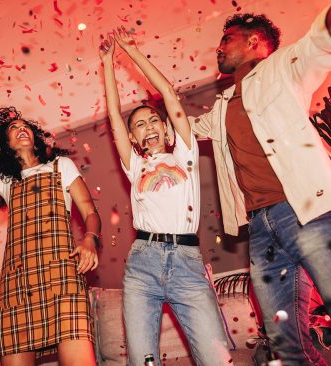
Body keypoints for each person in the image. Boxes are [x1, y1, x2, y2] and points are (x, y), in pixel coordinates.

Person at [189, 6, 331, 365]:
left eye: (226, 39)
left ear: (254, 41)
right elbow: (180, 130)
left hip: (308, 213)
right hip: (260, 230)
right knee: (284, 343)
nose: (218, 48)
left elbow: (319, 40)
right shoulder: (220, 108)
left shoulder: (283, 67)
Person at [0, 56, 100, 365]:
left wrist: (89, 239)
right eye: (13, 128)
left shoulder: (62, 166)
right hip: (17, 284)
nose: (21, 130)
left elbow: (88, 210)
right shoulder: (6, 181)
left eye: (25, 126)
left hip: (63, 277)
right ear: (4, 144)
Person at [99, 28, 232, 366]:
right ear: (133, 137)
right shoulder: (135, 167)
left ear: (166, 127)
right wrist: (107, 64)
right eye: (140, 124)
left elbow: (168, 94)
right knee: (142, 361)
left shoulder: (184, 154)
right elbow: (114, 117)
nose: (149, 126)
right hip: (143, 264)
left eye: (153, 119)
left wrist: (130, 50)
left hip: (187, 262)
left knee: (217, 359)